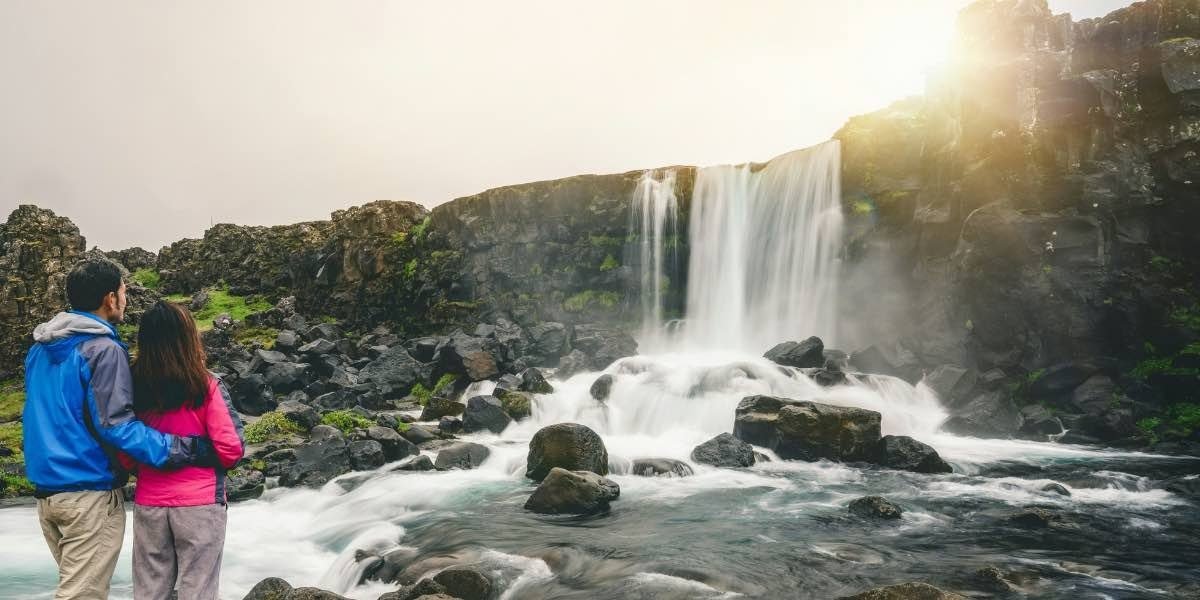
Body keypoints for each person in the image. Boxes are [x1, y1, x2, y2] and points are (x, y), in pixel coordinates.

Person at [23, 257, 217, 600]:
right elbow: (117, 427)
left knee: (76, 588)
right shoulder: (103, 350)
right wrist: (184, 448)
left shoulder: (40, 350)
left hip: (48, 494)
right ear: (110, 298)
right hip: (88, 493)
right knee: (82, 595)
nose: (125, 299)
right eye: (124, 291)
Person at [126, 300, 245, 599]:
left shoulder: (132, 388)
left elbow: (125, 452)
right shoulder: (206, 385)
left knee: (149, 590)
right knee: (198, 589)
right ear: (188, 338)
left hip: (150, 505)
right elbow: (230, 449)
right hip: (200, 504)